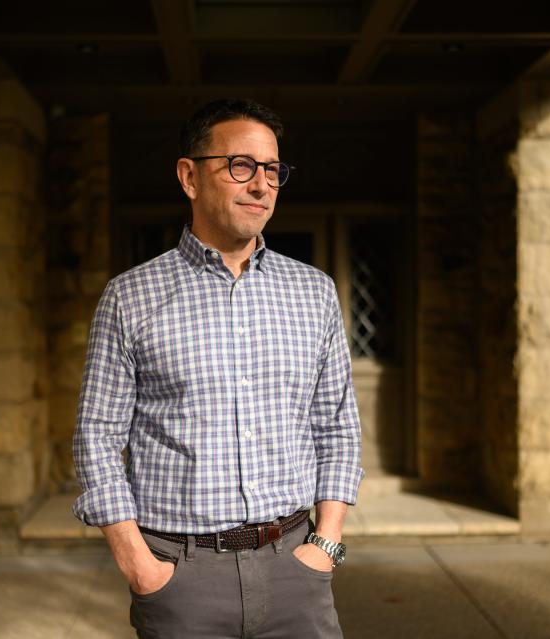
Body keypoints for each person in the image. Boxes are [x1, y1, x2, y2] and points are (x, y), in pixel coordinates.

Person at [71, 97, 365, 638]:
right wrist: (141, 566)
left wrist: (325, 544)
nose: (261, 185)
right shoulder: (130, 298)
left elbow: (337, 426)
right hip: (181, 579)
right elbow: (96, 438)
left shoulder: (314, 292)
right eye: (241, 166)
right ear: (189, 177)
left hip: (295, 565)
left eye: (273, 170)